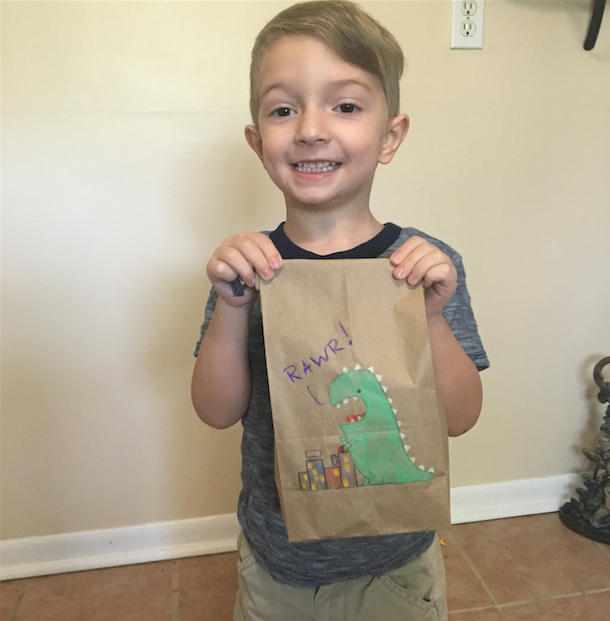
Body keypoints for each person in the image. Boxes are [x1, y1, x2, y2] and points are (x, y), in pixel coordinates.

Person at [191, 2, 489, 619]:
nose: (310, 129)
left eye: (346, 105)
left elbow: (459, 418)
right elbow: (215, 411)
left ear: (390, 137)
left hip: (396, 568)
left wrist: (433, 315)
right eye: (283, 109)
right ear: (257, 141)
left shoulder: (423, 266)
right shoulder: (247, 269)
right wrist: (229, 308)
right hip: (279, 563)